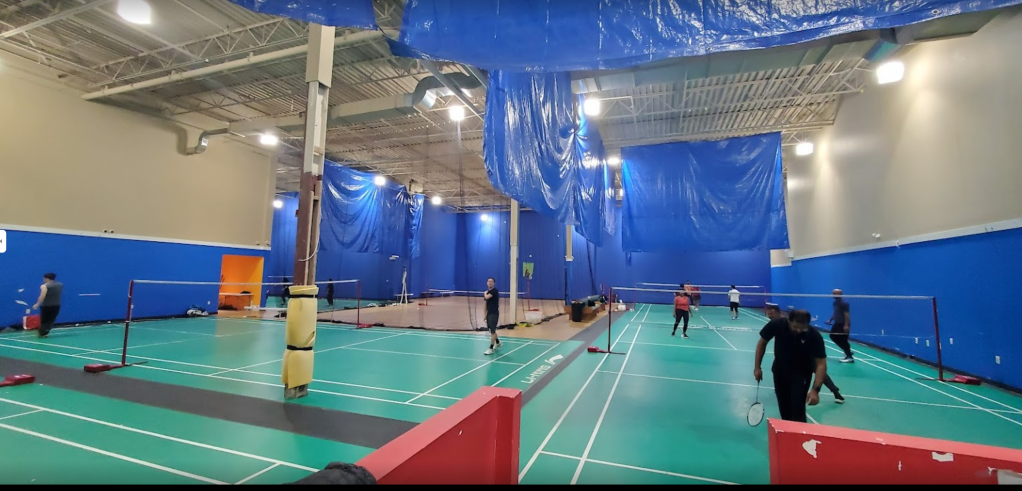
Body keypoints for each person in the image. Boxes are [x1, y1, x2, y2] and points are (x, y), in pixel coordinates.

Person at [753, 309, 829, 423]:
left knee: (798, 410)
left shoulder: (814, 335)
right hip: (779, 371)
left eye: (802, 328)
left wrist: (815, 390)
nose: (798, 330)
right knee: (784, 408)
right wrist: (757, 367)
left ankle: (800, 432)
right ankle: (787, 430)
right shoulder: (777, 324)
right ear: (789, 321)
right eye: (795, 327)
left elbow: (821, 364)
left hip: (801, 374)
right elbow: (762, 343)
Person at [765, 303, 844, 404]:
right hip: (788, 355)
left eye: (771, 314)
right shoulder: (777, 324)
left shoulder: (790, 323)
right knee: (775, 368)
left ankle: (835, 392)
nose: (770, 316)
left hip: (806, 356)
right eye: (768, 314)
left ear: (777, 312)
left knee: (820, 372)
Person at [826, 289, 854, 363]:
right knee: (832, 336)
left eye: (836, 293)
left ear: (841, 294)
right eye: (833, 293)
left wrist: (846, 325)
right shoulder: (835, 302)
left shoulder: (844, 303)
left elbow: (847, 314)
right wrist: (830, 319)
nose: (834, 295)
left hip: (843, 324)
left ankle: (849, 357)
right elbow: (835, 312)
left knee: (843, 340)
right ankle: (847, 350)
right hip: (837, 323)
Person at [32, 272, 63, 338]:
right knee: (51, 320)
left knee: (44, 320)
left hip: (46, 305)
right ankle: (45, 332)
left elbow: (42, 296)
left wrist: (37, 304)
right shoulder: (60, 285)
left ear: (46, 278)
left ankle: (42, 333)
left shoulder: (44, 286)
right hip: (56, 305)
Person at [483, 277, 502, 355]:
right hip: (489, 313)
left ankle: (491, 348)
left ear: (494, 283)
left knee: (493, 331)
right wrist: (484, 315)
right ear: (487, 283)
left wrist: (485, 293)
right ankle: (498, 342)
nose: (490, 283)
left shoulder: (494, 291)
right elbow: (485, 304)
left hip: (494, 313)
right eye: (489, 281)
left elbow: (487, 297)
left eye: (491, 281)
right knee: (492, 330)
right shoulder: (488, 292)